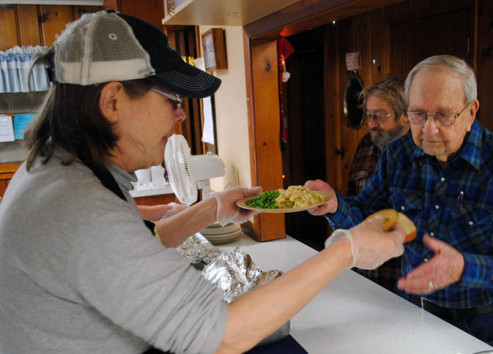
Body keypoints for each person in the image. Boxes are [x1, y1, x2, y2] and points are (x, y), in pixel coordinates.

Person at [0, 11, 405, 353]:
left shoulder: (62, 172)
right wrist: (345, 251)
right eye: (172, 101)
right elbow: (222, 336)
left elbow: (143, 244)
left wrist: (212, 208)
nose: (180, 115)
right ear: (112, 102)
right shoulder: (81, 209)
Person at [307, 55, 493, 349]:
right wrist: (334, 205)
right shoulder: (398, 156)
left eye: (444, 115)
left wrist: (463, 267)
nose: (428, 129)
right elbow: (367, 216)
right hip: (410, 310)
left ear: (471, 112)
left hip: (476, 324)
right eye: (418, 115)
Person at [347, 76, 410, 293]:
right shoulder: (365, 145)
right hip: (365, 272)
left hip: (403, 277)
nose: (372, 123)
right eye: (369, 115)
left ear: (405, 117)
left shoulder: (421, 156)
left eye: (380, 116)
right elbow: (354, 203)